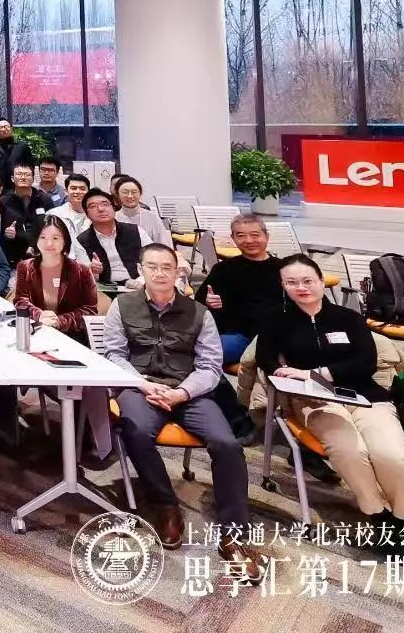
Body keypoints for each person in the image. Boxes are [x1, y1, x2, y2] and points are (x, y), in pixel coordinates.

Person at [256, 255, 404, 569]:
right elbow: (265, 358)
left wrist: (314, 373)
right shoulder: (276, 320)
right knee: (349, 451)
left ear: (320, 281)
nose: (301, 287)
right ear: (283, 286)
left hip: (366, 396)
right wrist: (281, 373)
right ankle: (379, 517)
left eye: (307, 280)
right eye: (291, 282)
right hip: (315, 401)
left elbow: (365, 362)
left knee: (390, 454)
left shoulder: (348, 317)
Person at [103, 243, 265, 577]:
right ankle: (165, 505)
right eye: (152, 267)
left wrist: (181, 393)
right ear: (140, 270)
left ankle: (233, 533)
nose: (160, 273)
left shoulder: (199, 313)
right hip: (141, 388)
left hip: (189, 392)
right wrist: (144, 385)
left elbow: (210, 366)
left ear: (178, 272)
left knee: (227, 443)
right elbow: (114, 355)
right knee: (135, 431)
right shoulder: (122, 305)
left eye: (167, 267)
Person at [10, 217, 110, 466]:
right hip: (37, 337)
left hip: (73, 339)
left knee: (76, 386)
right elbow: (20, 300)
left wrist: (60, 321)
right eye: (43, 237)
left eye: (56, 238)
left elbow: (89, 310)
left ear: (65, 241)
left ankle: (79, 443)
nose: (49, 243)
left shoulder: (80, 270)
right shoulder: (26, 267)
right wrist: (39, 314)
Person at [194, 213, 285, 366]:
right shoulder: (223, 269)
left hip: (276, 335)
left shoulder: (284, 269)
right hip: (237, 336)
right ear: (233, 238)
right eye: (241, 236)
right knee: (208, 356)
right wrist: (208, 302)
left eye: (255, 235)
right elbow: (198, 303)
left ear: (267, 236)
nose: (248, 241)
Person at [79, 189, 144, 288]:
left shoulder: (135, 231)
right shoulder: (81, 240)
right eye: (93, 206)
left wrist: (141, 281)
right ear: (86, 214)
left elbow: (154, 258)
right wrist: (94, 271)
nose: (101, 209)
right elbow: (85, 276)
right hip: (105, 290)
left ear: (114, 208)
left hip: (140, 285)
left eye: (105, 204)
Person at [4, 164, 55, 252]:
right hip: (14, 249)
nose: (23, 177)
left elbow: (53, 224)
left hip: (42, 248)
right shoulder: (4, 201)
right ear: (12, 178)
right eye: (19, 174)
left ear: (33, 179)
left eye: (27, 175)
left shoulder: (44, 199)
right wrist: (7, 233)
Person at [112, 175, 172, 246]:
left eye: (134, 192)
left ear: (140, 194)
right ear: (118, 195)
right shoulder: (113, 218)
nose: (130, 196)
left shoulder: (152, 217)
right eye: (125, 192)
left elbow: (165, 245)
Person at [45, 172, 92, 240]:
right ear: (66, 191)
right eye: (73, 188)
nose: (78, 192)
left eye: (82, 189)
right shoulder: (54, 214)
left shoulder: (96, 214)